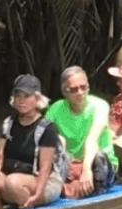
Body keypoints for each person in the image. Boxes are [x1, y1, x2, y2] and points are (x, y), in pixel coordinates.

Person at [0, 74, 68, 209]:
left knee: (13, 182)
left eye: (27, 96)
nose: (21, 100)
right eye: (18, 95)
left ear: (37, 99)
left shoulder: (47, 128)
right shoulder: (8, 124)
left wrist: (38, 194)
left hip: (44, 182)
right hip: (13, 180)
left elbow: (45, 167)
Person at [44, 66, 117, 198]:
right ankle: (61, 192)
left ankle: (98, 196)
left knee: (99, 157)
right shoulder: (56, 108)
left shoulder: (100, 106)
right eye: (74, 89)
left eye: (83, 87)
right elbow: (43, 138)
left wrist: (86, 170)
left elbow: (92, 140)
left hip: (96, 163)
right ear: (64, 92)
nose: (80, 92)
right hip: (71, 165)